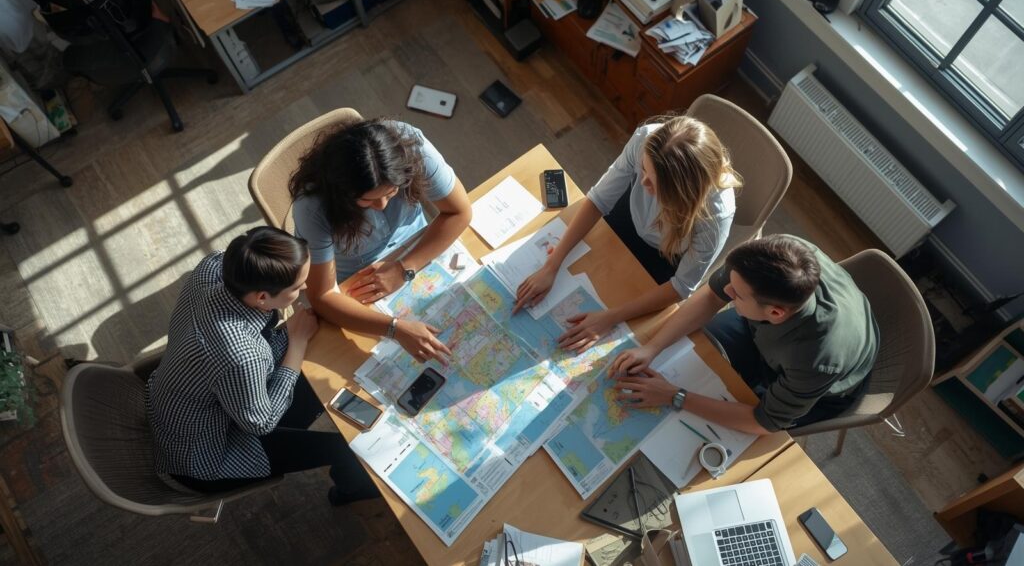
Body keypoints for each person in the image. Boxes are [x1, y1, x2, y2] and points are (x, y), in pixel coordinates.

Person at [146, 227, 379, 505]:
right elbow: (262, 423)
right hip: (201, 457)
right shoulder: (243, 356)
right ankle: (351, 490)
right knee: (345, 447)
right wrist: (297, 342)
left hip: (176, 401)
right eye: (296, 286)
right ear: (261, 298)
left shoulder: (214, 265)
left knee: (319, 376)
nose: (304, 287)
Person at [609, 235, 879, 435]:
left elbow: (764, 421)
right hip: (763, 330)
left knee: (718, 432)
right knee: (697, 348)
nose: (725, 292)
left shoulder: (818, 357)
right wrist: (651, 348)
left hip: (821, 387)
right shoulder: (779, 252)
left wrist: (674, 396)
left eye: (735, 295)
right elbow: (712, 295)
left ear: (775, 313)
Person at [514, 115, 741, 351]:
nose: (642, 183)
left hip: (663, 257)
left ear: (682, 196)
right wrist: (552, 265)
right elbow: (599, 199)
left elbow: (682, 286)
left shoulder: (717, 213)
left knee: (615, 295)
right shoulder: (647, 138)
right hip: (626, 216)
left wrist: (611, 317)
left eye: (654, 183)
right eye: (642, 169)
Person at [289, 118, 472, 364]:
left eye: (391, 192)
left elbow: (460, 212)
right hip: (352, 283)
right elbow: (322, 296)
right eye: (367, 201)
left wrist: (405, 268)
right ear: (342, 193)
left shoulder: (411, 148)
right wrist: (395, 328)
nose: (382, 205)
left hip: (416, 246)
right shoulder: (312, 205)